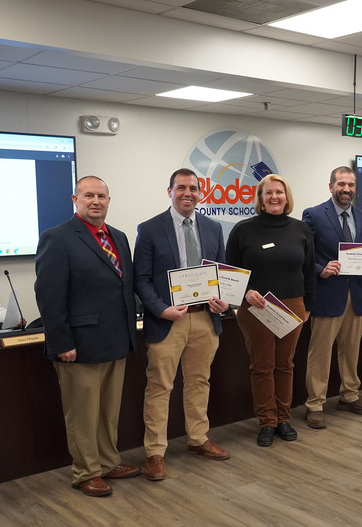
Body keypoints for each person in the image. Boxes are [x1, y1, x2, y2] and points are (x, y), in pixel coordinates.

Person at [34, 176, 140, 497]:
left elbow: (125, 288)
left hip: (116, 340)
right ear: (75, 199)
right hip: (78, 345)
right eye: (89, 195)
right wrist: (61, 341)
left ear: (109, 200)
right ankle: (86, 471)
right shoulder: (58, 238)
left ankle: (108, 462)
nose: (96, 201)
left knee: (108, 411)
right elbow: (49, 296)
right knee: (82, 413)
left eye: (102, 196)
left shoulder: (119, 237)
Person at [134, 168, 231, 481]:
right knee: (160, 387)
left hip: (205, 318)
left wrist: (223, 299)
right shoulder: (149, 229)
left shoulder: (214, 228)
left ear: (200, 192)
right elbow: (141, 279)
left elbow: (221, 272)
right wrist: (161, 310)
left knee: (199, 381)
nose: (187, 193)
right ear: (170, 191)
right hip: (167, 321)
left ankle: (198, 438)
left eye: (193, 188)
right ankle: (155, 452)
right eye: (181, 188)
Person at [226, 175, 315, 446]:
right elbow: (230, 272)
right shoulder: (242, 230)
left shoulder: (301, 230)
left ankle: (284, 418)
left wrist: (308, 307)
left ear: (287, 197)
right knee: (261, 366)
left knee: (285, 364)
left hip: (292, 306)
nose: (274, 197)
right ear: (260, 198)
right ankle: (267, 421)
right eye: (268, 193)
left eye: (279, 192)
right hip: (256, 307)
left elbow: (309, 271)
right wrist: (245, 292)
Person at [301, 166, 362, 429]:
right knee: (321, 354)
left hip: (358, 295)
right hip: (327, 294)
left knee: (351, 351)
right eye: (341, 184)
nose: (346, 189)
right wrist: (320, 269)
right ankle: (315, 403)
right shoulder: (314, 215)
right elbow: (305, 256)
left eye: (350, 185)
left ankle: (349, 395)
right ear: (331, 187)